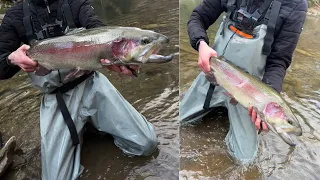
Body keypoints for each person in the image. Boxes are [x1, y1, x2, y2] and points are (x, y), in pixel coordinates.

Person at [0, 0, 158, 179]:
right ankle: (87, 127)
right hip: (57, 97)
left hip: (92, 83)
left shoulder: (76, 2)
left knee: (147, 144)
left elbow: (98, 29)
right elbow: (1, 66)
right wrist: (11, 59)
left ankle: (92, 124)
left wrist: (119, 58)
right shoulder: (15, 16)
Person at [180, 0, 307, 163]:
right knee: (179, 122)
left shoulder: (296, 5)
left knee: (245, 160)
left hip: (249, 94)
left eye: (288, 121)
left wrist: (269, 91)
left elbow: (279, 61)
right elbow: (198, 17)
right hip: (212, 75)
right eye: (288, 121)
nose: (287, 123)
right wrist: (201, 44)